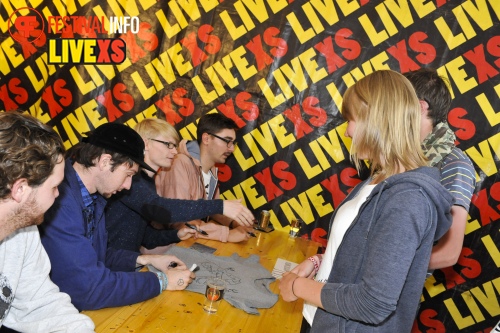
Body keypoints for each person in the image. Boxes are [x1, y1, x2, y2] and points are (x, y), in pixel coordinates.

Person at [278, 70, 454, 332]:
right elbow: (360, 254)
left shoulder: (408, 199)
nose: (348, 132)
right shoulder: (377, 181)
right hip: (322, 320)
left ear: (378, 120)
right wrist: (317, 263)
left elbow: (373, 304)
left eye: (352, 120)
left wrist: (296, 286)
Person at [39, 122, 195, 311]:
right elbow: (87, 288)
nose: (128, 185)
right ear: (104, 162)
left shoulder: (93, 197)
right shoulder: (61, 202)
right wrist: (160, 281)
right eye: (128, 174)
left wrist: (145, 259)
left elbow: (96, 254)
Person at [0, 112, 95, 332]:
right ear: (20, 189)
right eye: (54, 187)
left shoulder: (23, 229)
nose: (58, 195)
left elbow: (40, 302)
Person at [106, 118, 254, 253]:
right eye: (168, 145)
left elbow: (144, 236)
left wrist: (176, 234)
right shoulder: (132, 180)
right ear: (146, 143)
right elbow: (159, 208)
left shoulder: (146, 181)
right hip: (112, 268)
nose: (174, 151)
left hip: (127, 262)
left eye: (175, 146)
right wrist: (220, 207)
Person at [404, 68, 475, 270]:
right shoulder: (399, 157)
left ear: (419, 107)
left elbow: (449, 253)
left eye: (397, 102)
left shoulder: (453, 163)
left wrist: (388, 267)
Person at [155, 113, 250, 243]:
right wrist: (226, 234)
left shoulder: (211, 171)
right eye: (227, 141)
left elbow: (213, 209)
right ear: (206, 138)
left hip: (190, 244)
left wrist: (235, 223)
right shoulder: (179, 163)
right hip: (166, 249)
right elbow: (179, 221)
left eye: (233, 143)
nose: (232, 148)